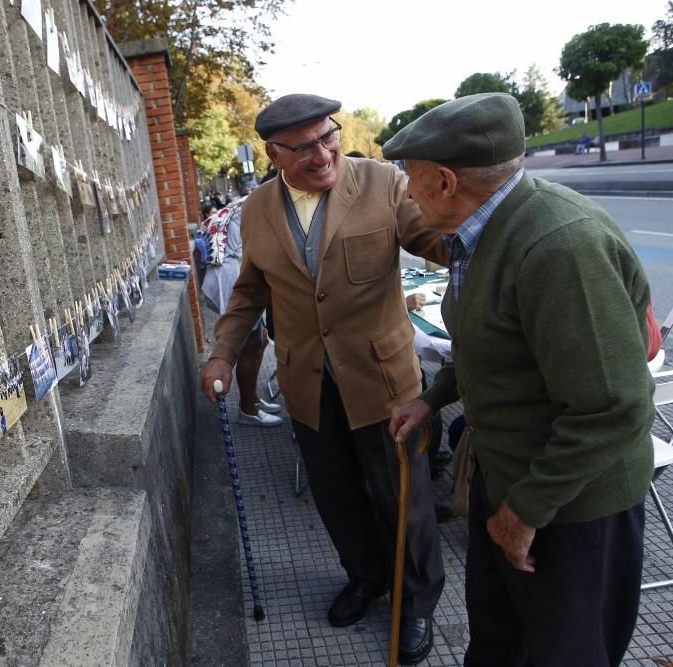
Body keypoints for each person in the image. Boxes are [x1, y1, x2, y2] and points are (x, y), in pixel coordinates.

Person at [385, 93, 654, 667]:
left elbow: (613, 406)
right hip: (511, 483)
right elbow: (487, 344)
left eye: (409, 177)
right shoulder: (481, 233)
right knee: (498, 643)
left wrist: (523, 512)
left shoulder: (558, 246)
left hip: (572, 507)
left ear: (444, 180)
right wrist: (433, 400)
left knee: (564, 653)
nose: (405, 191)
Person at [201, 93, 448, 664]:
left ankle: (416, 601)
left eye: (327, 137)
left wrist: (478, 234)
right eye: (304, 146)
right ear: (274, 153)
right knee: (335, 493)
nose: (322, 154)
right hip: (307, 382)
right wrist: (221, 353)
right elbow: (249, 293)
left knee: (401, 496)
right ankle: (366, 576)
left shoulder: (383, 182)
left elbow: (435, 240)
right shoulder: (257, 209)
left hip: (384, 379)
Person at [201, 199, 282, 426]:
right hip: (231, 276)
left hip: (232, 270)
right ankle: (247, 409)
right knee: (250, 344)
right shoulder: (266, 204)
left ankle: (253, 399)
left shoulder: (253, 202)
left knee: (261, 340)